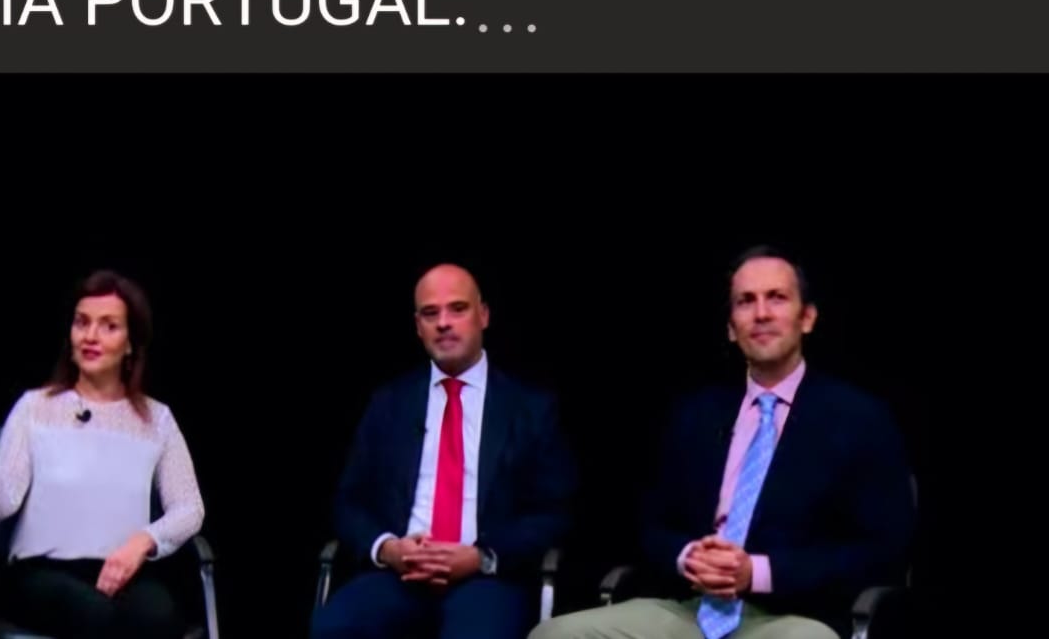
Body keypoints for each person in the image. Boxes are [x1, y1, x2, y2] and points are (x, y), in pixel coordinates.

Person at [530, 246, 917, 639]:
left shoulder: (859, 419)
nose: (761, 313)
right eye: (746, 301)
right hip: (690, 607)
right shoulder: (696, 414)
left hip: (792, 616)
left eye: (777, 298)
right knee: (556, 633)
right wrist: (688, 557)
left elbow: (882, 548)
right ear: (732, 327)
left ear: (807, 318)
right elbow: (651, 524)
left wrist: (758, 572)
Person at [310, 263, 577, 639]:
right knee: (336, 627)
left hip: (488, 577)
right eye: (430, 313)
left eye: (458, 309)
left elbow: (554, 513)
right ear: (417, 326)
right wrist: (388, 548)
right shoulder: (389, 403)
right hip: (399, 574)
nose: (443, 323)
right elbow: (349, 502)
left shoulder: (530, 408)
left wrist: (481, 556)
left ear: (483, 315)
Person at [0, 269, 205, 639]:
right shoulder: (34, 408)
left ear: (131, 343)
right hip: (41, 574)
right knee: (96, 616)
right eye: (82, 322)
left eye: (108, 326)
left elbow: (189, 508)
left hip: (123, 572)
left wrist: (143, 541)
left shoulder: (157, 420)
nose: (90, 336)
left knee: (160, 616)